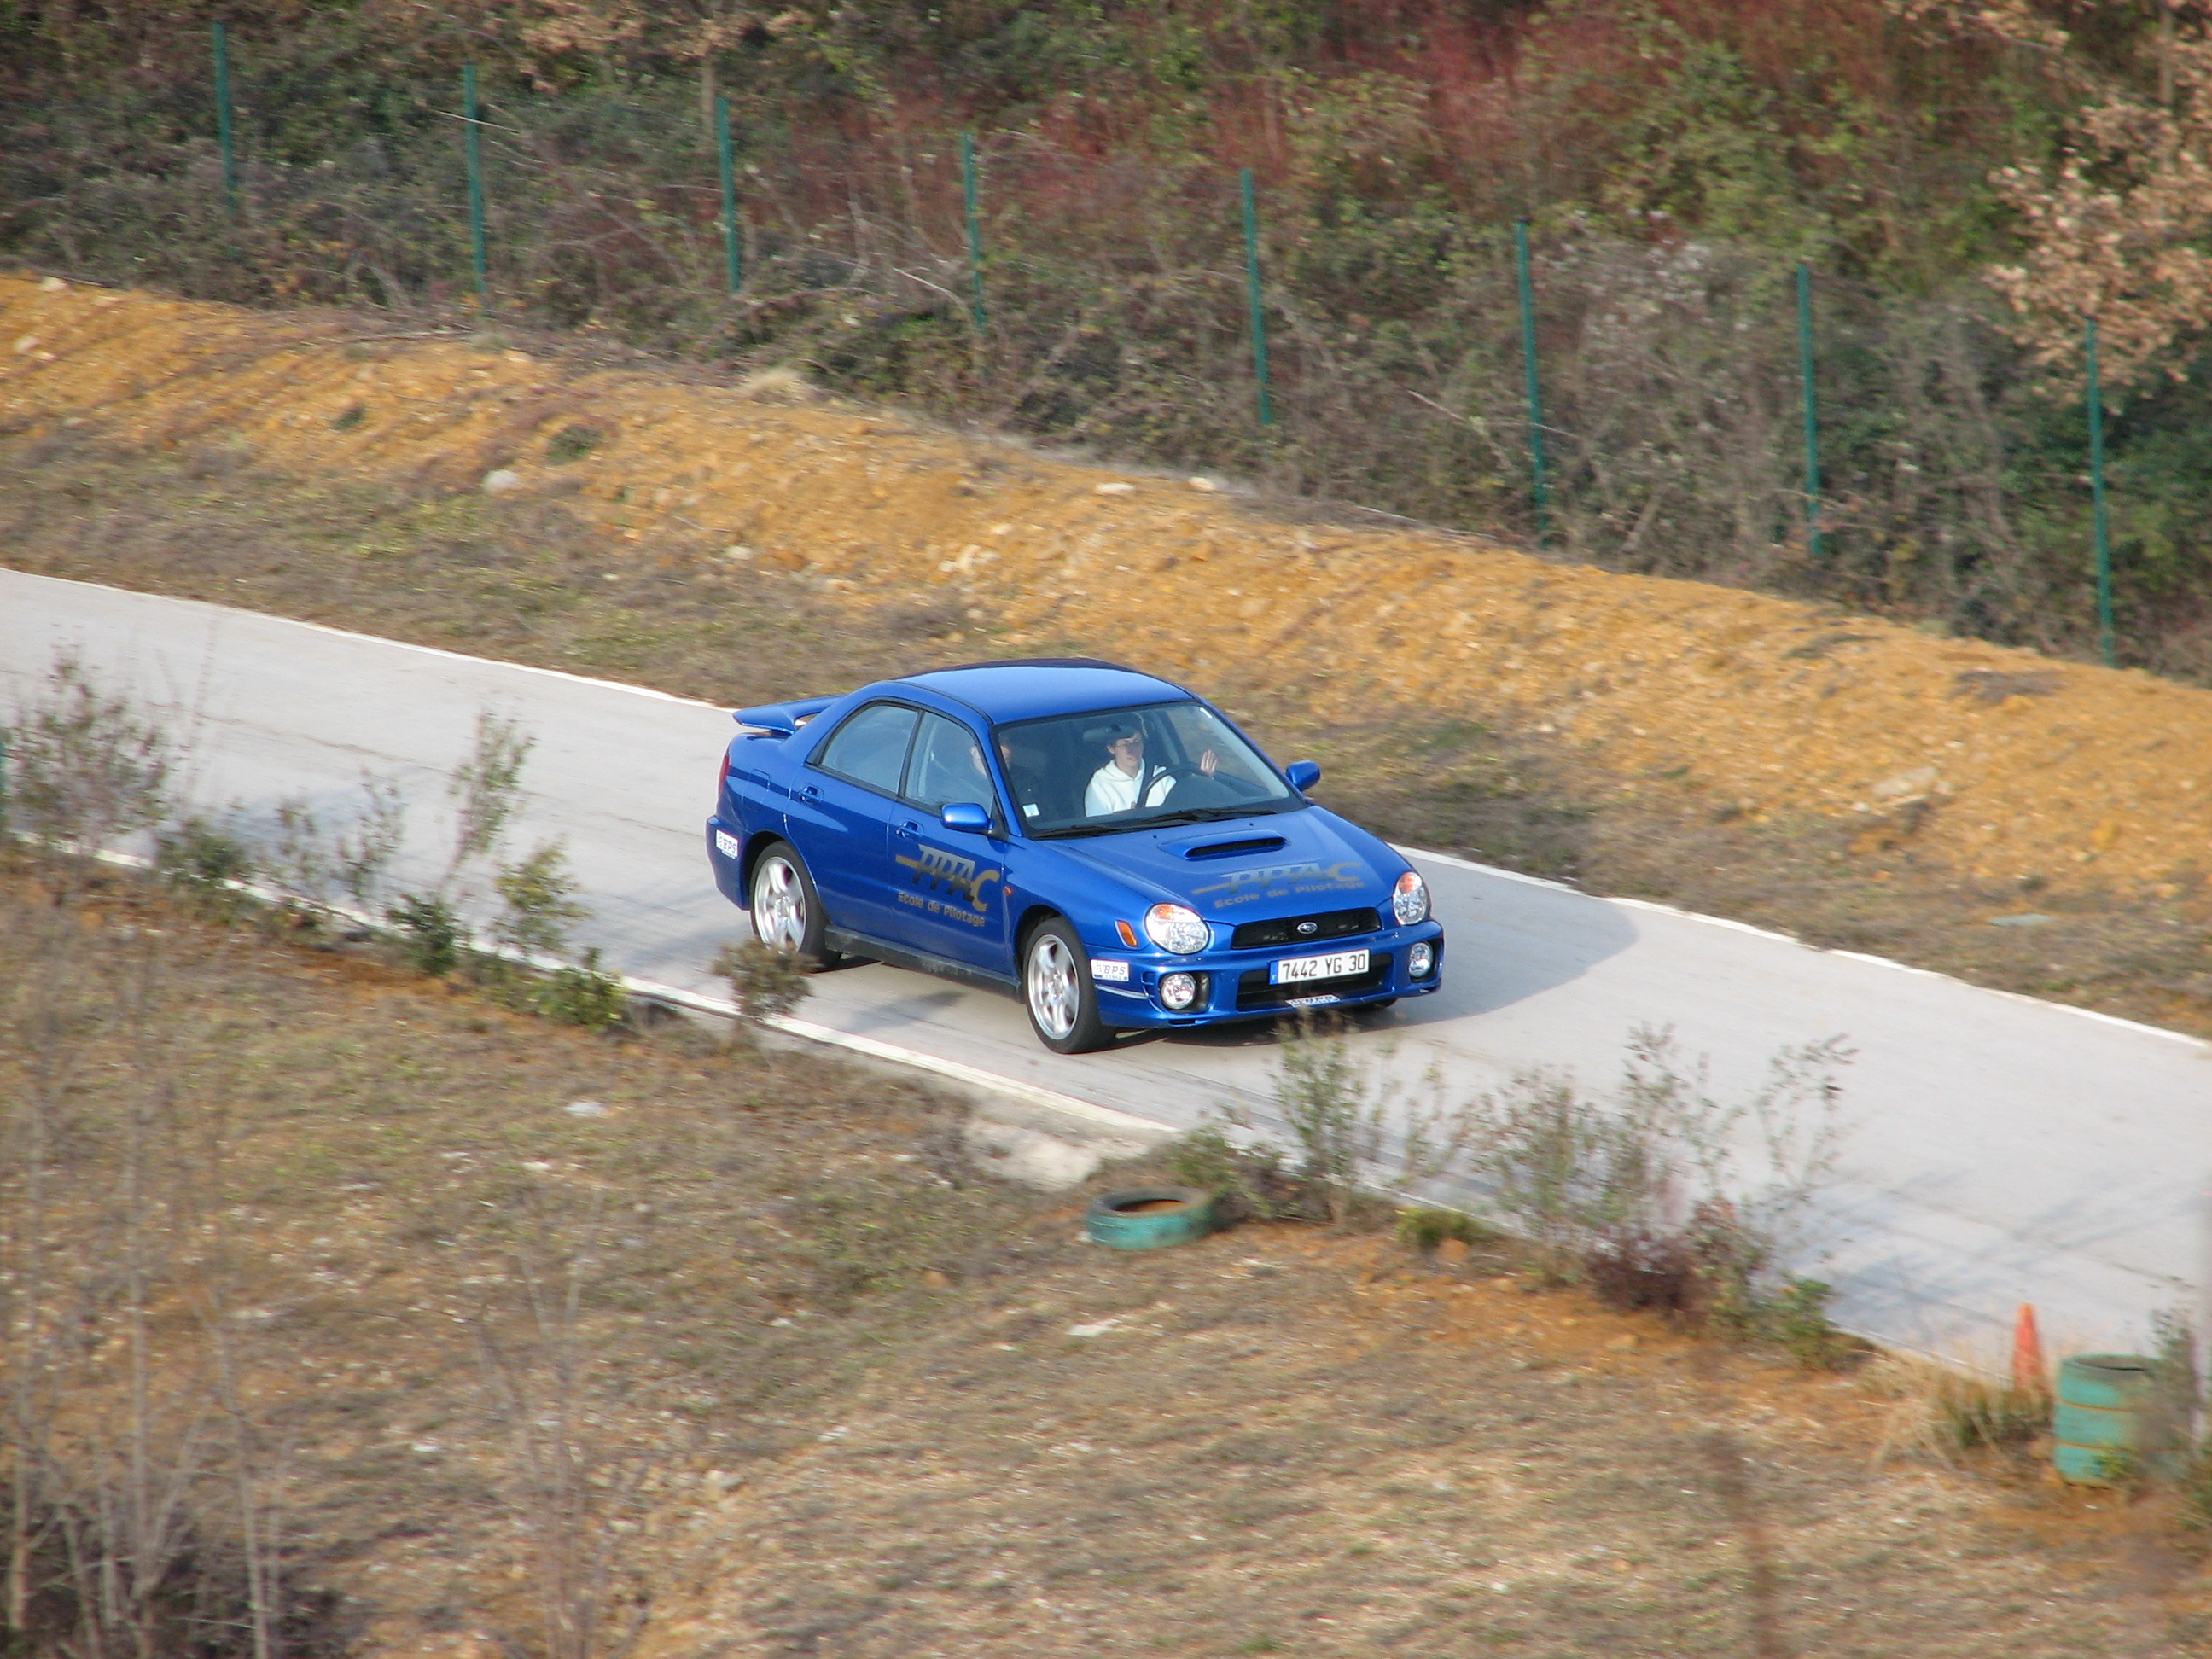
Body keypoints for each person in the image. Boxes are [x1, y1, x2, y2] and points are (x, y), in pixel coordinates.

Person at [1083, 719, 1215, 816]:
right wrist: (1127, 821)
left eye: (1136, 743)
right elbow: (1098, 832)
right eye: (1123, 744)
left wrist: (1201, 784)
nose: (1131, 750)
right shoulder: (1100, 785)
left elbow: (1185, 809)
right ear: (1111, 748)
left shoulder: (1161, 777)